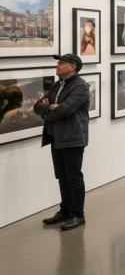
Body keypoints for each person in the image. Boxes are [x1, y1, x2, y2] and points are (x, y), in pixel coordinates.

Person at [35, 54, 91, 231]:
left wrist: (52, 107)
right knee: (62, 176)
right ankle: (65, 210)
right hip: (56, 136)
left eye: (61, 63)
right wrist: (50, 106)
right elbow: (37, 106)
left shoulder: (80, 86)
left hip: (72, 137)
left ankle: (78, 214)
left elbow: (66, 110)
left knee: (73, 176)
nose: (57, 65)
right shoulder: (57, 85)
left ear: (73, 66)